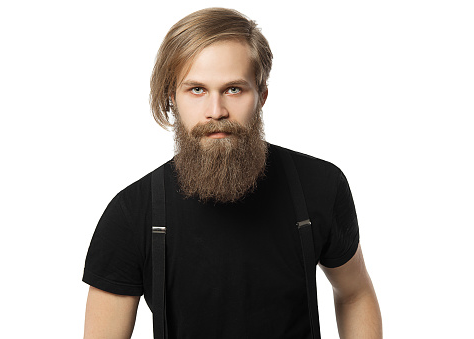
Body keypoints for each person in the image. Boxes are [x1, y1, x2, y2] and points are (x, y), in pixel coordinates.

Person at [82, 7, 382, 339]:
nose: (216, 111)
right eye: (196, 90)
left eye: (233, 89)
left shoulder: (321, 186)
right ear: (172, 97)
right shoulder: (131, 213)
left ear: (261, 95)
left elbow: (355, 294)